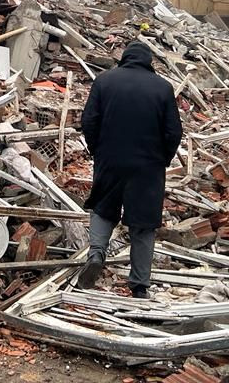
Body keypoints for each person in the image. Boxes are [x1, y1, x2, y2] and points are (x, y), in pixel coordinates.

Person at [77, 41, 182, 297]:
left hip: (110, 160)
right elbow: (174, 132)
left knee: (103, 207)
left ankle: (96, 254)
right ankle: (139, 285)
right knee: (143, 222)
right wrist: (163, 159)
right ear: (149, 62)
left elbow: (88, 121)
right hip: (148, 166)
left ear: (124, 58)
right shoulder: (163, 88)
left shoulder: (104, 81)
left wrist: (98, 150)